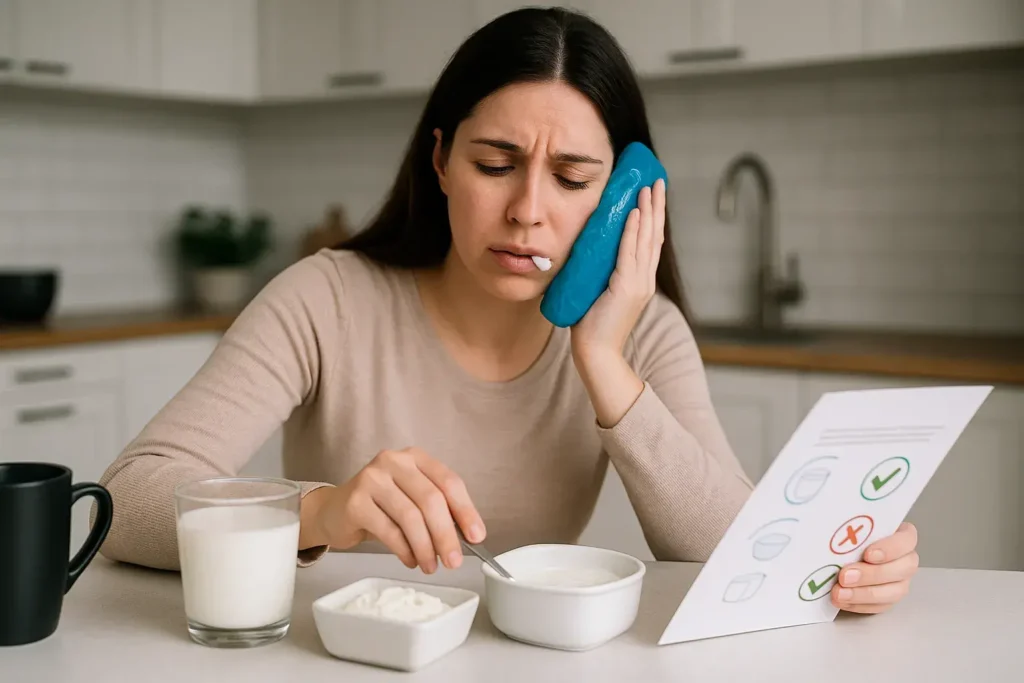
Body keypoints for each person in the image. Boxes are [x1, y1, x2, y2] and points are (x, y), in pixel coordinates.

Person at [97, 7, 918, 615]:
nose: (529, 210)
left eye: (571, 179)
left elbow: (737, 551)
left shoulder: (643, 331)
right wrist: (321, 511)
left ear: (617, 198)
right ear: (443, 161)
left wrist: (603, 362)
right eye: (497, 163)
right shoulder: (326, 296)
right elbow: (127, 500)